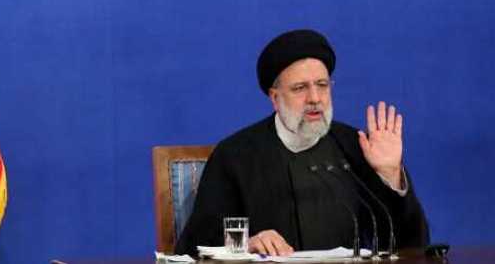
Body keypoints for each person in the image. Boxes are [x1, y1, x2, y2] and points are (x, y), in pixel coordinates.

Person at [174, 29, 430, 256]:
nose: (315, 98)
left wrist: (391, 177)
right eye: (300, 88)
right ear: (275, 98)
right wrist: (246, 244)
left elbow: (413, 246)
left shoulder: (356, 146)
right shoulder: (235, 155)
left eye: (322, 85)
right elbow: (194, 247)